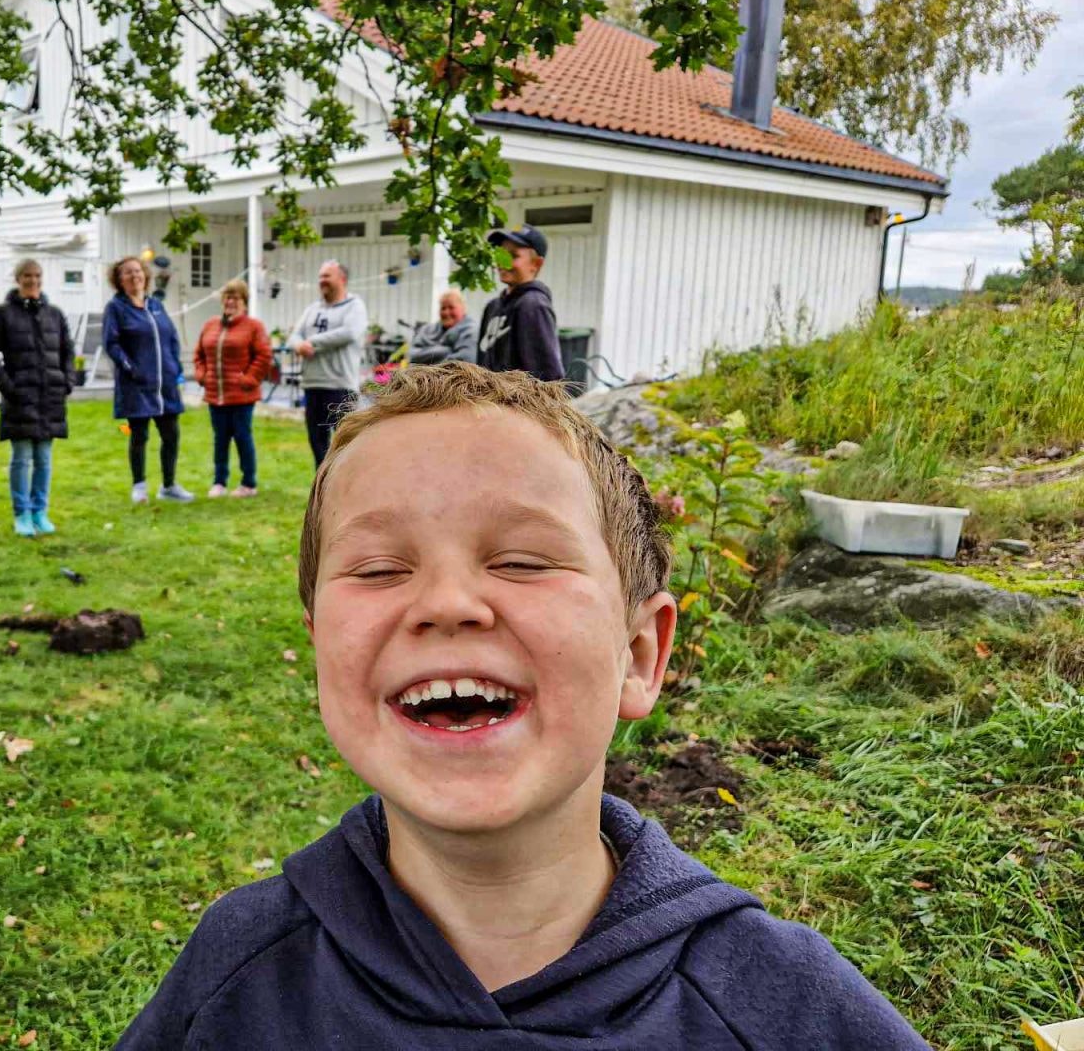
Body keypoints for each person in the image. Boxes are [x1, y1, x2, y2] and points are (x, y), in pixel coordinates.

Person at [116, 363, 931, 1050]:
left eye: (520, 560)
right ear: (323, 646)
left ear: (639, 656)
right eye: (376, 570)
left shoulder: (785, 1010)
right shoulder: (234, 979)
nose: (445, 602)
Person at [0, 258, 74, 537]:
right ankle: (21, 513)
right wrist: (8, 387)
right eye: (27, 276)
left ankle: (39, 511)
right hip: (20, 396)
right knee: (21, 457)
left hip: (50, 397)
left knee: (44, 457)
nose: (33, 281)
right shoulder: (2, 314)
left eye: (37, 276)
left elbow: (68, 351)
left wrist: (67, 382)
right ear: (18, 279)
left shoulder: (54, 314)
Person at [103, 255, 193, 503]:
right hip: (137, 384)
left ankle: (169, 485)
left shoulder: (155, 305)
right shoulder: (116, 308)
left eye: (138, 271)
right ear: (119, 280)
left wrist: (175, 367)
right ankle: (139, 486)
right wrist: (130, 367)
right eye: (128, 273)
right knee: (139, 435)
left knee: (171, 434)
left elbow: (171, 337)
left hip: (165, 384)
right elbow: (111, 343)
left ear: (145, 275)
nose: (135, 276)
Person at [192, 278, 273, 498]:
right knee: (220, 440)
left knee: (242, 437)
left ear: (244, 302)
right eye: (227, 297)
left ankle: (249, 483)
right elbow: (199, 354)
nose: (230, 302)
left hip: (241, 397)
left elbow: (264, 355)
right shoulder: (210, 325)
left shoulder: (254, 327)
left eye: (235, 298)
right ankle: (219, 482)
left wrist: (248, 379)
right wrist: (201, 375)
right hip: (215, 396)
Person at [287, 260, 368, 466]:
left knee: (346, 445)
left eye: (327, 276)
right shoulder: (312, 309)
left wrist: (311, 343)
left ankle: (347, 491)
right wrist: (298, 345)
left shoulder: (355, 306)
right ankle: (321, 490)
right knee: (318, 443)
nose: (321, 281)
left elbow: (349, 332)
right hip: (313, 385)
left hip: (340, 386)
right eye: (320, 276)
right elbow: (294, 335)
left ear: (342, 279)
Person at [477, 224, 564, 381]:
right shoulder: (492, 307)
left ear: (536, 264)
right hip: (489, 403)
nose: (503, 262)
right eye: (501, 254)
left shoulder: (533, 305)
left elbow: (547, 377)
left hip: (515, 404)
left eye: (513, 256)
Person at [406, 290, 478, 364]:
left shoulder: (471, 330)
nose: (446, 312)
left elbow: (465, 362)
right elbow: (411, 355)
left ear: (463, 309)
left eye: (451, 307)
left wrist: (428, 361)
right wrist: (445, 351)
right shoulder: (427, 329)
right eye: (443, 308)